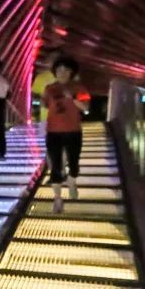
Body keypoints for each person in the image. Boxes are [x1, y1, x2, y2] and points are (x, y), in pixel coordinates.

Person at [42, 57, 91, 213]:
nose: (62, 73)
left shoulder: (79, 88)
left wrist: (72, 98)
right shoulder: (49, 88)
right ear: (55, 72)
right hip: (53, 132)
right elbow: (45, 104)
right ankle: (57, 198)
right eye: (59, 70)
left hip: (73, 131)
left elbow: (86, 108)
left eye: (65, 70)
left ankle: (72, 181)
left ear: (71, 72)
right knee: (55, 166)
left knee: (74, 163)